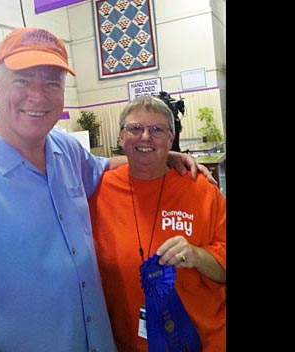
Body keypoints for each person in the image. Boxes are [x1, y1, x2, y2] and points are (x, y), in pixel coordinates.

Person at [0, 27, 214, 351]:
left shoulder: (64, 149)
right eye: (23, 80)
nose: (38, 96)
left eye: (52, 83)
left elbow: (107, 165)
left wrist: (160, 154)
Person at [89, 95, 226, 351]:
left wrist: (196, 256)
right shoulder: (97, 193)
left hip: (204, 342)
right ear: (120, 137)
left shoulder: (202, 191)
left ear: (171, 140)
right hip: (127, 343)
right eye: (135, 128)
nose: (145, 137)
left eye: (157, 130)